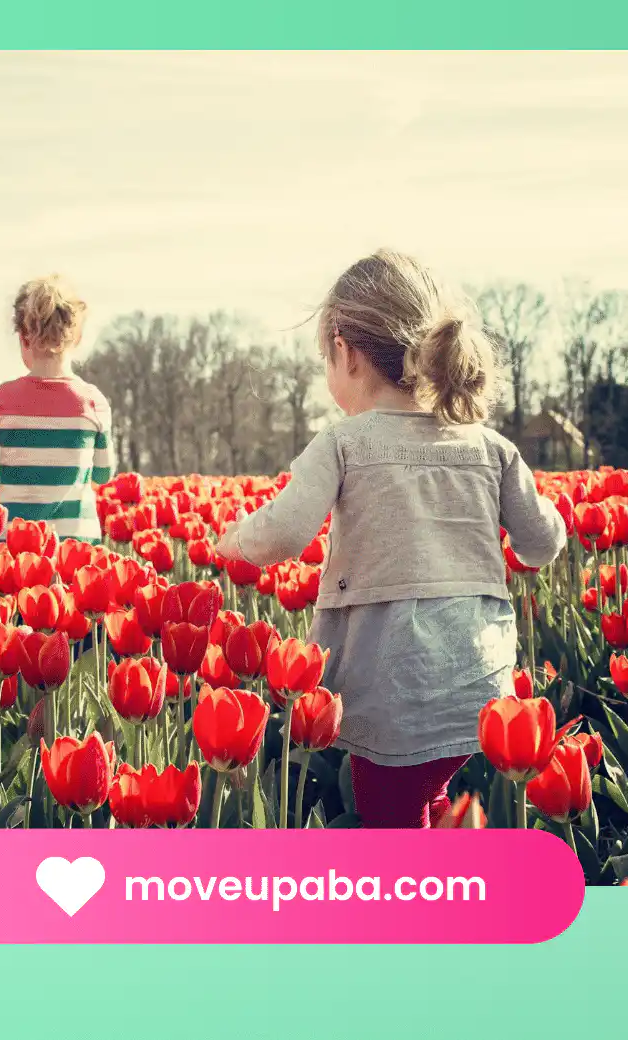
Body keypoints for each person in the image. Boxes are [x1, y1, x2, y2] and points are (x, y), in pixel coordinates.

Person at [216, 250, 566, 828]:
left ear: (345, 352)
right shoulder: (490, 447)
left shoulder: (345, 443)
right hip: (478, 680)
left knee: (388, 817)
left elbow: (282, 533)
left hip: (393, 685)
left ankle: (420, 915)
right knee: (427, 797)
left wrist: (231, 541)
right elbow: (541, 544)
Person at [0, 275, 114, 543]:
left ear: (23, 338)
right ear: (76, 338)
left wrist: (1, 487)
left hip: (16, 541)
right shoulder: (93, 402)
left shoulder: (1, 400)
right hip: (77, 541)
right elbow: (104, 472)